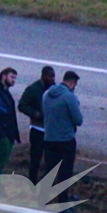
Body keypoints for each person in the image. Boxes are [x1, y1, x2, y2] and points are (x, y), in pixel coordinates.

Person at [42, 71, 83, 202]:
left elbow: (45, 112)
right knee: (64, 173)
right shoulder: (69, 97)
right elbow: (78, 120)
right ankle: (62, 201)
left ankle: (43, 199)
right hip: (65, 140)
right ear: (72, 83)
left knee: (49, 171)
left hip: (49, 138)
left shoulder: (47, 94)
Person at [18, 66, 56, 184]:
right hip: (37, 129)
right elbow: (22, 105)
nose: (52, 79)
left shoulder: (54, 89)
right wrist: (35, 114)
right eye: (50, 76)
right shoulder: (33, 89)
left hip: (50, 131)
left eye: (53, 76)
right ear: (43, 76)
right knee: (35, 159)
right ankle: (32, 182)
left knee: (50, 160)